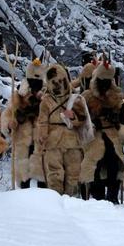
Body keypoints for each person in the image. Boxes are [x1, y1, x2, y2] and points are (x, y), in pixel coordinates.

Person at [37, 62, 91, 196]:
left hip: (72, 140)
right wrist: (42, 136)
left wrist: (73, 117)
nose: (57, 84)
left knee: (73, 174)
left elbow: (83, 120)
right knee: (54, 173)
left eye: (60, 81)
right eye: (54, 81)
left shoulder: (75, 99)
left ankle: (70, 201)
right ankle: (56, 200)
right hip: (52, 141)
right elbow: (42, 121)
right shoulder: (46, 101)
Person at [80, 59, 124, 202]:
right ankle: (97, 195)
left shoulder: (116, 96)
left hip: (112, 135)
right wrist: (91, 121)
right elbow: (80, 115)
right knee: (95, 164)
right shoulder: (87, 96)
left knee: (114, 163)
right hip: (94, 136)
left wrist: (123, 111)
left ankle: (112, 196)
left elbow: (123, 117)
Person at [2, 58, 48, 188]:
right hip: (23, 138)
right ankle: (22, 199)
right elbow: (7, 114)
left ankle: (44, 199)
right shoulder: (18, 96)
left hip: (41, 138)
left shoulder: (46, 97)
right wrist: (9, 125)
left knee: (42, 170)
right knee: (23, 171)